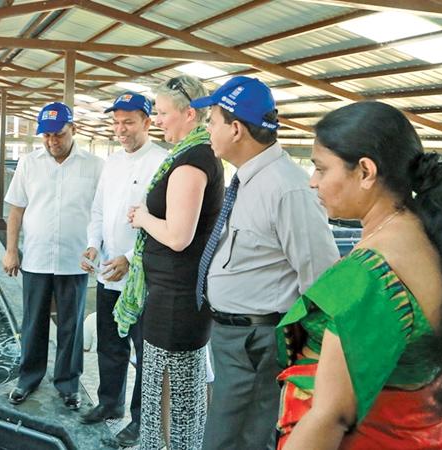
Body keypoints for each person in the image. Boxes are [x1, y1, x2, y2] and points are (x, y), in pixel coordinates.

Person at [276, 101, 442, 449]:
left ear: (366, 172)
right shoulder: (422, 235)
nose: (312, 182)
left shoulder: (371, 272)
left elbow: (330, 416)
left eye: (321, 169)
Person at [192, 76, 340, 450]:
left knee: (236, 439)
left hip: (256, 340)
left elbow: (321, 278)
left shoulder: (286, 188)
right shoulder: (247, 179)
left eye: (212, 119)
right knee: (228, 432)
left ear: (236, 129)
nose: (207, 127)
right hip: (233, 337)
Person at [114, 75, 224, 450]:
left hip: (177, 298)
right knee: (172, 381)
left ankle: (176, 445)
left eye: (161, 112)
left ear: (189, 113)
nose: (157, 119)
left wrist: (144, 218)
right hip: (174, 293)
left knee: (175, 386)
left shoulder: (192, 161)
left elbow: (178, 236)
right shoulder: (193, 155)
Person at [79, 92, 167, 447]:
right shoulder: (112, 162)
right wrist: (93, 244)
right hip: (107, 272)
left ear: (147, 122)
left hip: (142, 277)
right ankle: (108, 403)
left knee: (144, 352)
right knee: (110, 344)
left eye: (128, 122)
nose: (121, 129)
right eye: (116, 122)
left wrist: (130, 258)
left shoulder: (163, 162)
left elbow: (163, 221)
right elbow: (99, 210)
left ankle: (141, 420)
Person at [3, 102, 104, 410]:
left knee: (71, 326)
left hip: (75, 258)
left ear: (73, 129)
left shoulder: (96, 166)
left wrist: (97, 247)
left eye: (58, 134)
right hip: (36, 257)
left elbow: (101, 213)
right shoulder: (28, 163)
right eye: (46, 136)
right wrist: (10, 251)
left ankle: (68, 384)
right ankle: (28, 379)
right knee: (33, 321)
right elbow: (16, 210)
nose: (52, 142)